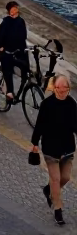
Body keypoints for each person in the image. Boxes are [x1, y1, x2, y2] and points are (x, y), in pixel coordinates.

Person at [30, 73, 77, 224]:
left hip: (67, 147)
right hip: (50, 148)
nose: (61, 92)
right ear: (53, 87)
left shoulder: (71, 103)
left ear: (69, 88)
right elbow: (39, 125)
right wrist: (35, 143)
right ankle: (58, 209)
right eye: (58, 88)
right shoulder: (47, 105)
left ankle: (48, 190)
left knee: (65, 178)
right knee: (56, 179)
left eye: (65, 89)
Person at [0, 0, 29, 101]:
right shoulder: (6, 22)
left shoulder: (21, 21)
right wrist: (0, 47)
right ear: (9, 11)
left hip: (18, 50)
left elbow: (24, 36)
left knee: (25, 66)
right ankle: (9, 92)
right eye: (12, 9)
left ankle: (25, 83)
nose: (14, 11)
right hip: (7, 52)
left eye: (16, 8)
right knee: (8, 71)